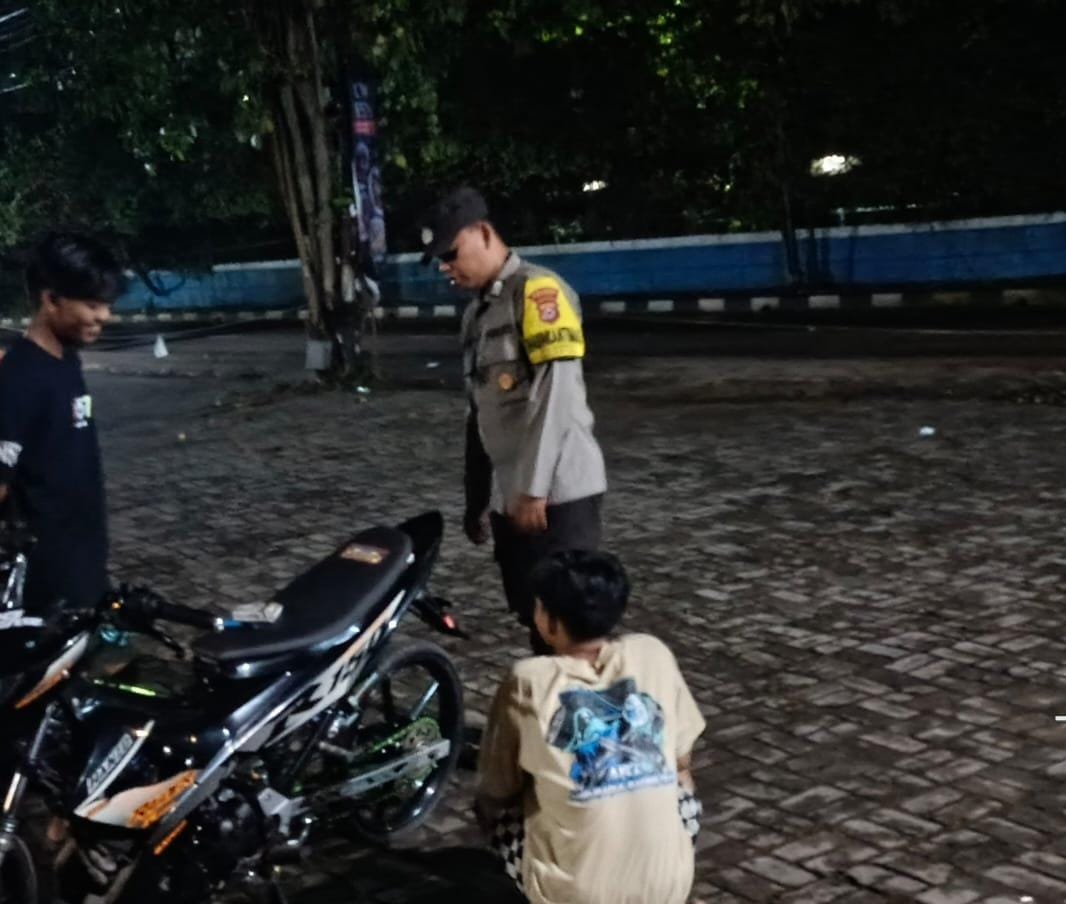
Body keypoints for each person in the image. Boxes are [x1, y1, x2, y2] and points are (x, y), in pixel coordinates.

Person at [419, 187, 607, 651]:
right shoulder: (476, 316)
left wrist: (534, 489)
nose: (446, 267)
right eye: (439, 260)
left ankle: (588, 700)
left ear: (484, 233)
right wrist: (477, 498)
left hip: (556, 497)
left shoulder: (538, 292)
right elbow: (480, 411)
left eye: (451, 253)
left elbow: (557, 393)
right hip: (515, 497)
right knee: (534, 617)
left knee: (569, 629)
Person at [475, 550, 705, 904]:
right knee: (679, 779)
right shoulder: (652, 653)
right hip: (669, 887)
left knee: (504, 805)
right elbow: (682, 760)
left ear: (550, 621)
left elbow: (497, 788)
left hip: (575, 896)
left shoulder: (528, 680)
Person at [0, 232, 123, 614]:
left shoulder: (66, 361)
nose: (104, 316)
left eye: (106, 304)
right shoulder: (18, 377)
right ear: (51, 299)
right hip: (47, 583)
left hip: (84, 561)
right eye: (92, 304)